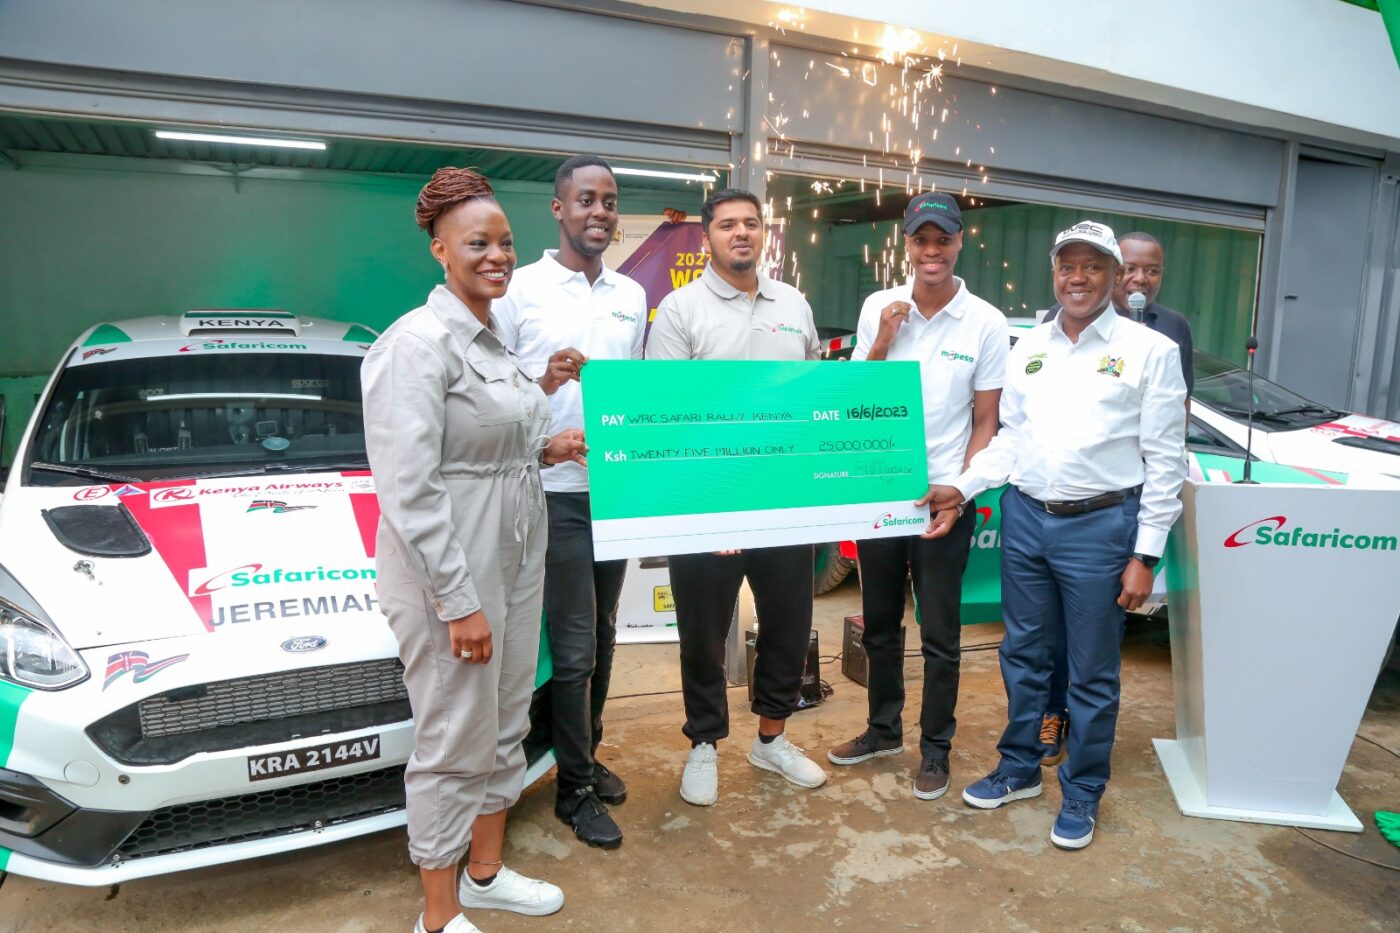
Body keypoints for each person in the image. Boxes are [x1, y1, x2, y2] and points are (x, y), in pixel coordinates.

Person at [362, 167, 586, 933]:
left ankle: (484, 874)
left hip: (517, 555)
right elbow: (410, 487)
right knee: (452, 734)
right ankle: (438, 913)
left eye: (505, 242)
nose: (496, 255)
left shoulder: (491, 339)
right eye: (477, 242)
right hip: (451, 570)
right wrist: (457, 599)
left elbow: (496, 445)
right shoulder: (416, 345)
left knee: (505, 721)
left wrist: (547, 444)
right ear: (439, 249)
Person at [925, 219, 1187, 850]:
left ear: (1114, 275)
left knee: (1091, 672)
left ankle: (1082, 790)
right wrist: (963, 486)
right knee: (1022, 654)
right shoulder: (1030, 348)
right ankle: (1018, 767)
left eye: (1093, 266)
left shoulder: (1149, 350)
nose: (1078, 277)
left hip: (1101, 526)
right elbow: (1010, 437)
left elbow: (1165, 459)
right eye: (1067, 266)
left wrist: (1145, 553)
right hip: (1025, 518)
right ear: (1055, 273)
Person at [646, 186, 828, 805]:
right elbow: (667, 417)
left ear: (764, 233)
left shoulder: (794, 304)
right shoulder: (679, 310)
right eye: (728, 225)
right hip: (707, 506)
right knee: (702, 632)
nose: (741, 234)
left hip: (782, 502)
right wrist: (703, 514)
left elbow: (806, 400)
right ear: (708, 238)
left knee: (788, 626)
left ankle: (771, 740)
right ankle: (703, 743)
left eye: (751, 224)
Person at [826, 193, 1007, 802]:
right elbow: (855, 397)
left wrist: (958, 489)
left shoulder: (985, 321)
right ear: (907, 245)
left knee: (940, 634)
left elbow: (987, 421)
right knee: (879, 624)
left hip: (943, 503)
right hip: (881, 492)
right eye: (921, 240)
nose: (932, 251)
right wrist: (881, 338)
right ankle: (883, 729)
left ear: (960, 243)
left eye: (943, 240)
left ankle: (936, 748)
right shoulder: (881, 305)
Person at [496, 155, 647, 850]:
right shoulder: (519, 290)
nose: (600, 212)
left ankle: (583, 751)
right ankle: (573, 789)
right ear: (559, 209)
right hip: (552, 495)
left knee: (607, 632)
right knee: (578, 646)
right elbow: (493, 395)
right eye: (586, 199)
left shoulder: (631, 294)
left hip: (612, 493)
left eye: (610, 201)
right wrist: (542, 386)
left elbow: (634, 396)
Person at [1035, 231, 1195, 768]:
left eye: (1150, 270)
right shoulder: (1042, 339)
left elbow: (1170, 432)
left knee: (1095, 653)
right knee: (1041, 645)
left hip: (1112, 513)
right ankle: (1048, 722)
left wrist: (1144, 549)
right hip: (1044, 512)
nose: (1139, 279)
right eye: (1132, 268)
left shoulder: (1164, 338)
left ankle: (1085, 774)